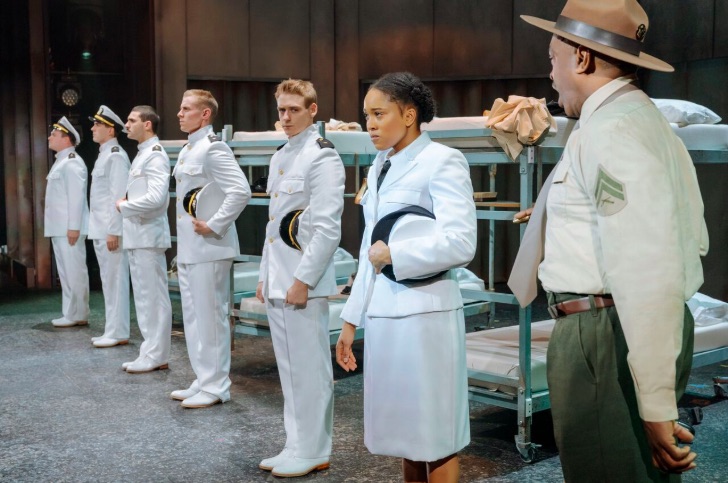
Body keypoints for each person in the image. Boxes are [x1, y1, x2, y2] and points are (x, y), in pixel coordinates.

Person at [512, 0, 709, 480]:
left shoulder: (613, 130)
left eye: (553, 60)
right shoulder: (634, 121)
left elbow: (647, 261)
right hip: (614, 326)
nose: (552, 76)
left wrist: (656, 403)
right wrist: (555, 215)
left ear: (582, 58)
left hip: (603, 334)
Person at [336, 72, 476, 483]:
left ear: (410, 114)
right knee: (404, 435)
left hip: (425, 314)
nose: (371, 125)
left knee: (436, 433)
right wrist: (349, 322)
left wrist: (398, 253)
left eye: (379, 114)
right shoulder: (380, 165)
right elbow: (368, 250)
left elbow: (462, 242)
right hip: (384, 314)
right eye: (367, 116)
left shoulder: (443, 160)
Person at [255, 79, 345, 477]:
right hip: (279, 279)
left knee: (309, 370)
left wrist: (303, 281)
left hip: (303, 285)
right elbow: (273, 225)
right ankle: (295, 444)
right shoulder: (280, 156)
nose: (286, 117)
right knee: (290, 371)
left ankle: (314, 448)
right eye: (281, 111)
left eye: (293, 110)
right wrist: (263, 275)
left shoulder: (322, 157)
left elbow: (327, 229)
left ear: (312, 110)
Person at [170, 89, 251, 408]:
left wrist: (215, 224)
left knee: (210, 316)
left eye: (186, 108)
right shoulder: (189, 149)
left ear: (205, 114)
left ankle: (217, 385)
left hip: (210, 246)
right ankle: (204, 377)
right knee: (193, 316)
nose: (179, 113)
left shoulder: (213, 149)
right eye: (180, 108)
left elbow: (240, 191)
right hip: (192, 247)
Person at [115, 106, 173, 374]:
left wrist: (124, 206)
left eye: (131, 120)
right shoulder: (142, 155)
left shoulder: (155, 155)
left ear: (147, 125)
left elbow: (157, 199)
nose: (126, 124)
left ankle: (156, 353)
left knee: (154, 298)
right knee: (144, 298)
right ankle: (150, 352)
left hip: (148, 235)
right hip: (138, 235)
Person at [87, 105, 131, 348]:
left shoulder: (115, 155)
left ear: (110, 129)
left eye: (97, 124)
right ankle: (112, 329)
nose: (93, 128)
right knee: (108, 281)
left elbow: (118, 196)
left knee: (115, 281)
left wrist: (114, 230)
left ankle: (118, 331)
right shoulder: (105, 154)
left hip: (110, 230)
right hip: (102, 228)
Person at [45, 117, 90, 328]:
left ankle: (78, 313)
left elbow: (76, 198)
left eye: (54, 134)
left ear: (67, 139)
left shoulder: (71, 162)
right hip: (60, 227)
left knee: (74, 271)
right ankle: (71, 312)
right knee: (66, 272)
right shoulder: (61, 160)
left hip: (68, 228)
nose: (49, 137)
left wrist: (74, 227)